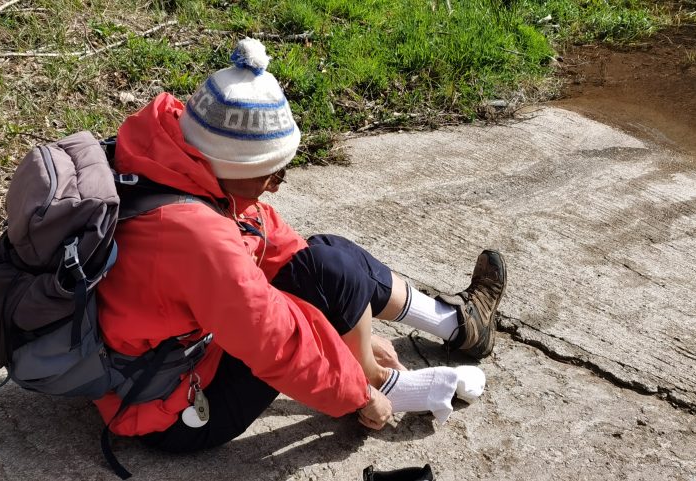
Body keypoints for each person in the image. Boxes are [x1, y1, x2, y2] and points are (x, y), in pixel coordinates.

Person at [93, 38, 506, 452]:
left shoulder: (172, 154)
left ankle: (458, 323)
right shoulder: (196, 237)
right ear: (230, 165)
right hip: (169, 411)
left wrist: (351, 329)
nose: (275, 186)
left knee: (326, 257)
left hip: (167, 350)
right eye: (269, 174)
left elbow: (272, 241)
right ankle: (387, 385)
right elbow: (278, 344)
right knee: (327, 279)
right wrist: (359, 392)